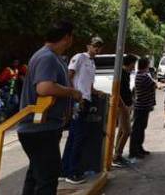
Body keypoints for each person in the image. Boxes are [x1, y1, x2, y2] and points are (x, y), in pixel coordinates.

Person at [18, 21, 82, 195]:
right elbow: (44, 88)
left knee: (36, 174)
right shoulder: (47, 57)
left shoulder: (52, 57)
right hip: (40, 128)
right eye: (72, 36)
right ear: (67, 37)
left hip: (42, 128)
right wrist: (72, 92)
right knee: (47, 178)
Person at [61, 36, 104, 184]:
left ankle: (65, 169)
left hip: (85, 100)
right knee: (78, 137)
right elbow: (69, 77)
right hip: (77, 101)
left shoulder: (92, 64)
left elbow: (89, 86)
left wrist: (98, 92)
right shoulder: (79, 57)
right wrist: (73, 95)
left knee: (74, 136)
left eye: (99, 46)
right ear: (88, 46)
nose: (96, 49)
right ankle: (73, 172)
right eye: (94, 46)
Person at [130, 56, 164, 159]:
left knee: (141, 128)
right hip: (141, 107)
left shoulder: (142, 75)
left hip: (143, 106)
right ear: (146, 65)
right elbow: (155, 85)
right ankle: (134, 151)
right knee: (137, 129)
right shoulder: (143, 76)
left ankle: (139, 148)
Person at [112, 54, 138, 168]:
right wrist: (123, 106)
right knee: (127, 131)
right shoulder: (122, 74)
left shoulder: (126, 73)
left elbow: (126, 91)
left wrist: (131, 101)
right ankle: (117, 156)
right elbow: (117, 92)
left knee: (122, 131)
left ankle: (117, 155)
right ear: (130, 63)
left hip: (126, 105)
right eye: (133, 64)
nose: (134, 67)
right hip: (123, 107)